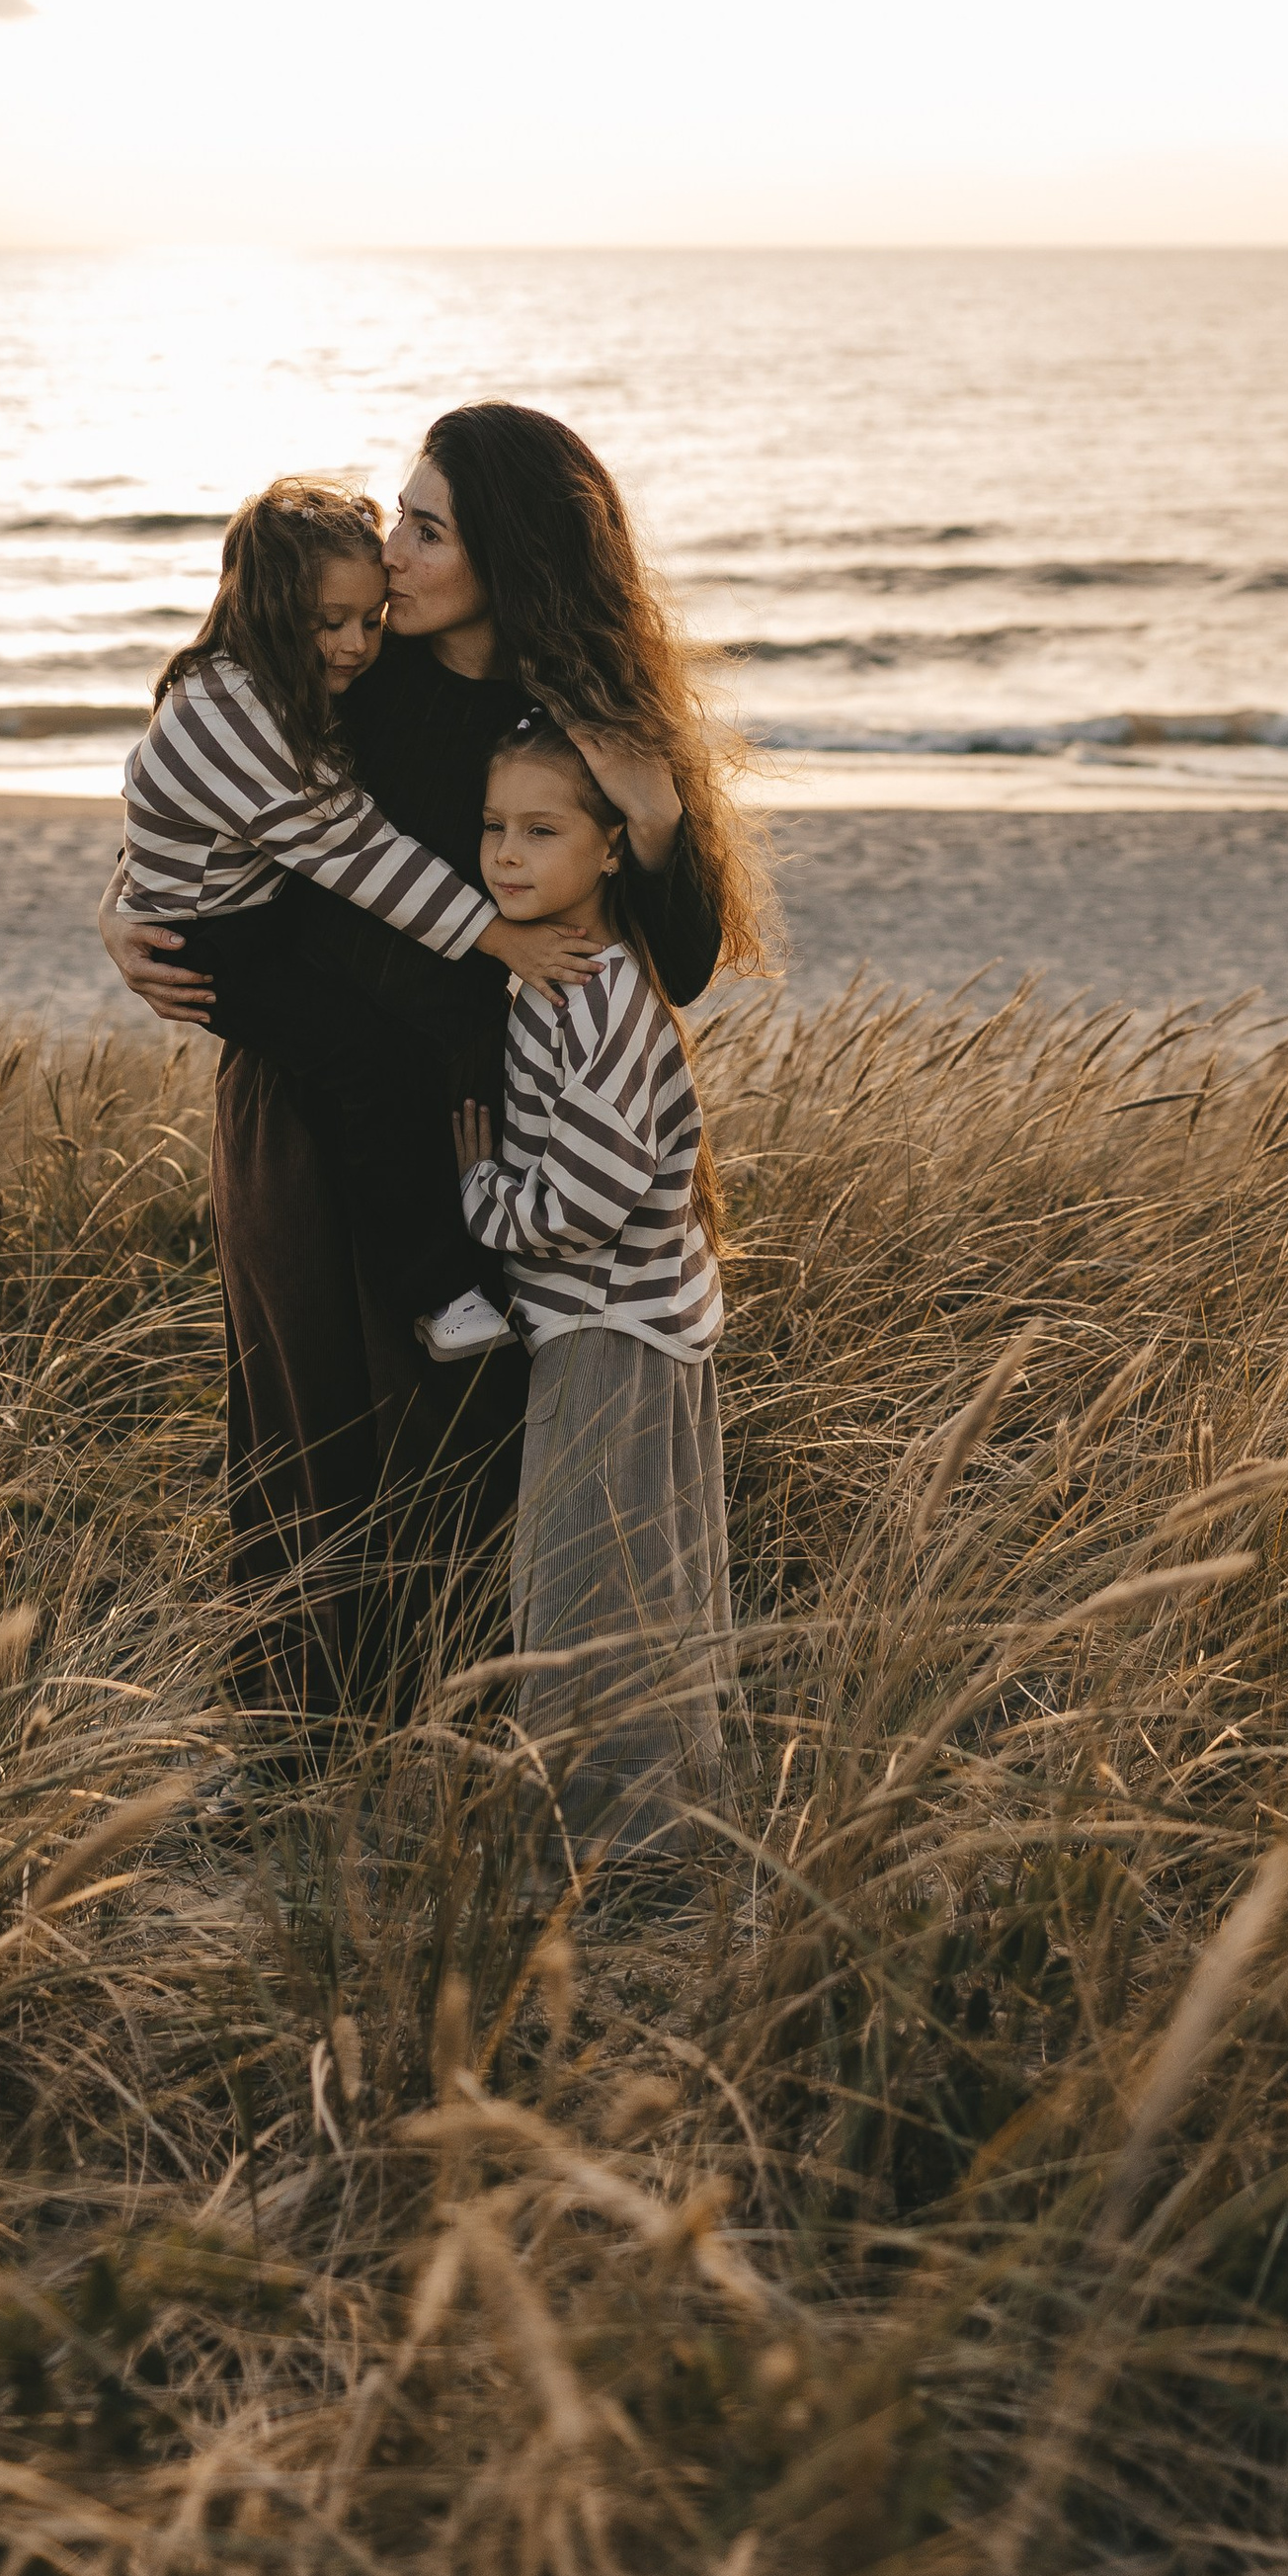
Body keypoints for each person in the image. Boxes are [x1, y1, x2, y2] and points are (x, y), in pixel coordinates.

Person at [102, 403, 771, 1744]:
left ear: (505, 555)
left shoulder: (578, 714)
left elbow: (689, 960)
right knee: (306, 1434)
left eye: (425, 530)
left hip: (486, 1119)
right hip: (305, 1101)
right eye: (399, 519)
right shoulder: (351, 665)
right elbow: (204, 789)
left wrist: (653, 811)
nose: (391, 554)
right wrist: (124, 906)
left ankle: (461, 1755)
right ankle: (298, 1754)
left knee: (470, 1447)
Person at [106, 474, 602, 1358]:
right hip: (220, 943)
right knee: (370, 1067)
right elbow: (365, 856)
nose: (355, 645)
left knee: (372, 1065)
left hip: (238, 917)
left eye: (370, 619)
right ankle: (440, 1296)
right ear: (265, 610)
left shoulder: (259, 684)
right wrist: (502, 939)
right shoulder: (237, 712)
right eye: (327, 622)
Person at [454, 715, 731, 1882]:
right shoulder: (560, 973)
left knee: (590, 1586)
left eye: (541, 830)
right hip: (609, 1317)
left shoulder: (600, 993)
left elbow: (594, 1191)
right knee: (620, 1574)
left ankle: (614, 1846)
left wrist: (485, 1201)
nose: (506, 854)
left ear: (611, 848)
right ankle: (625, 1831)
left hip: (611, 1326)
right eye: (493, 828)